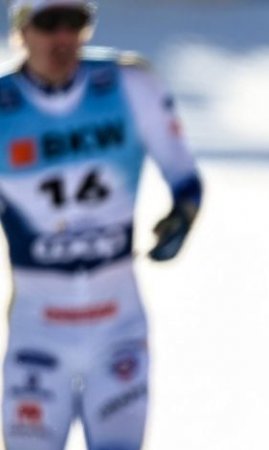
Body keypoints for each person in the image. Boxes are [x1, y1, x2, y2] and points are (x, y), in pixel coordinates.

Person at [0, 1, 202, 448]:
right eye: (48, 22)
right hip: (37, 328)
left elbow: (184, 177)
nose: (62, 37)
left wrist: (182, 217)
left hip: (118, 326)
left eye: (75, 21)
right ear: (21, 31)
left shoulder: (130, 84)